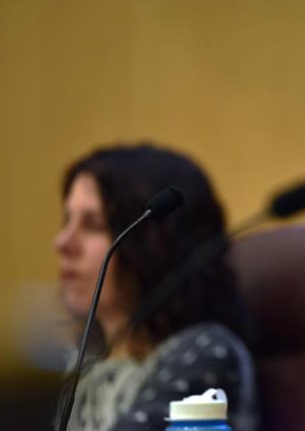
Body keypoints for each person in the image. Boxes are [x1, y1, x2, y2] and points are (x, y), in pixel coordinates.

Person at [52, 144, 258, 431]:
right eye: (67, 221)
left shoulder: (207, 352)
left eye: (92, 225)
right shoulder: (85, 362)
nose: (62, 243)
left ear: (154, 244)